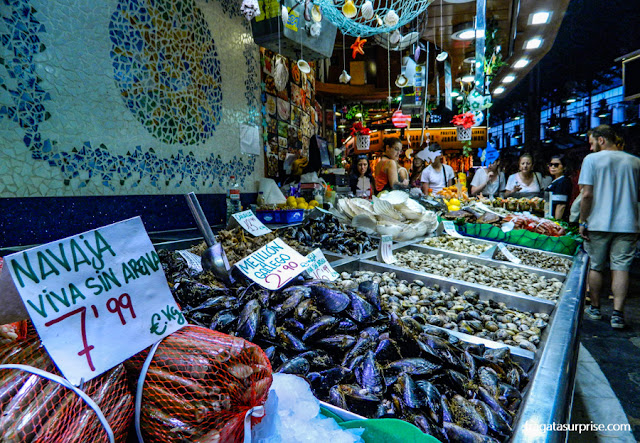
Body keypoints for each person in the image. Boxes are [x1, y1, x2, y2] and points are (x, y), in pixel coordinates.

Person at [580, 125, 640, 329]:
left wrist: (582, 221)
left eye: (591, 143)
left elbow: (587, 195)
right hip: (628, 224)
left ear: (601, 140)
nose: (590, 148)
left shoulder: (592, 160)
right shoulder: (635, 162)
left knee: (596, 266)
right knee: (621, 268)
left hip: (598, 223)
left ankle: (595, 308)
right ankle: (617, 314)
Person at [544, 154, 573, 221]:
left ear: (564, 167)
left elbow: (561, 206)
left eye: (556, 165)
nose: (553, 167)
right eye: (551, 165)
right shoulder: (556, 181)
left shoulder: (563, 182)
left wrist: (557, 223)